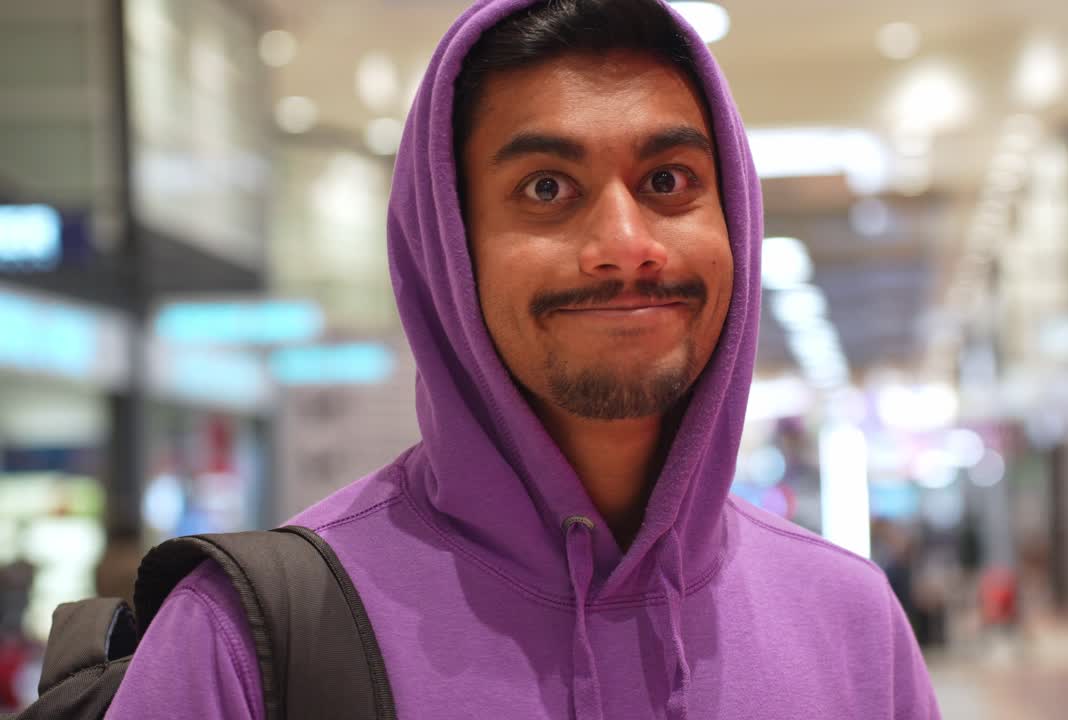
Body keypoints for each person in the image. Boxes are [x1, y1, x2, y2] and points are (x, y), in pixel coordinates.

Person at [107, 0, 941, 717]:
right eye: (547, 187)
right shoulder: (243, 643)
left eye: (668, 181)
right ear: (450, 248)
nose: (625, 246)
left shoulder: (850, 623)